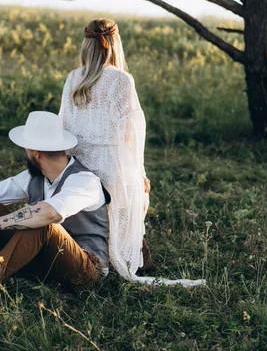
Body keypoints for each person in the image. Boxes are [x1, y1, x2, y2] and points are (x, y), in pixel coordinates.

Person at [58, 19, 198, 285]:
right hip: (109, 165)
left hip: (78, 165)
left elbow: (63, 124)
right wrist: (140, 175)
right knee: (139, 193)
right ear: (114, 44)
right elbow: (131, 136)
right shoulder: (121, 80)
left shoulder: (73, 78)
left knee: (132, 191)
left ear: (86, 44)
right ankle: (127, 251)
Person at [0, 111, 113, 308]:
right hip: (42, 264)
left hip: (84, 271)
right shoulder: (34, 177)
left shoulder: (84, 180)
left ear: (36, 153)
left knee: (43, 223)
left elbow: (49, 213)